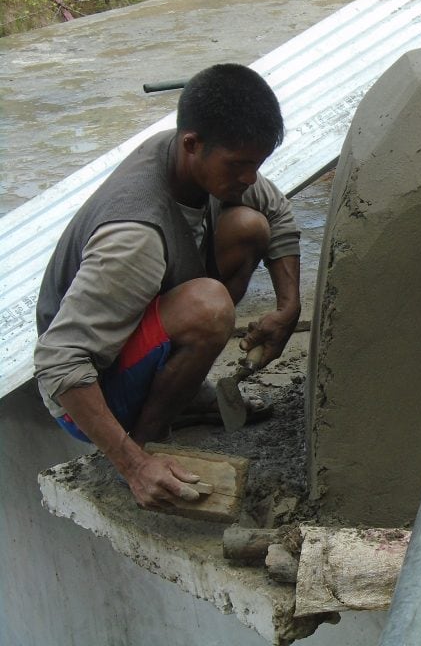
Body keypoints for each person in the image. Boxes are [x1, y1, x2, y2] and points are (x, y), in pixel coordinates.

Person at [35, 63, 301, 511]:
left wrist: (288, 308)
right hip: (87, 395)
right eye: (240, 165)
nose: (250, 178)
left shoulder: (196, 161)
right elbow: (58, 364)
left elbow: (276, 213)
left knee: (248, 224)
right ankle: (149, 439)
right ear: (192, 145)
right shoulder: (134, 236)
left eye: (257, 164)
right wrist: (132, 463)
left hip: (133, 336)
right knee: (208, 306)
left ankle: (181, 391)